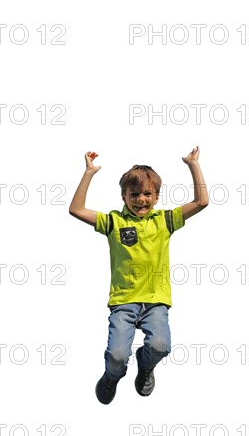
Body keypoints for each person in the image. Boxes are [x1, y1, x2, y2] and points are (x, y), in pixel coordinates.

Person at [69, 147, 209, 404]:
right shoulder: (114, 223)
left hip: (156, 301)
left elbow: (202, 202)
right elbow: (76, 210)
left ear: (156, 197)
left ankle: (145, 368)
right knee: (117, 355)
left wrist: (193, 165)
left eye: (147, 193)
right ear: (123, 196)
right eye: (134, 194)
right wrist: (88, 173)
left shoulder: (165, 221)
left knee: (160, 346)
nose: (141, 199)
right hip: (124, 301)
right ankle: (112, 376)